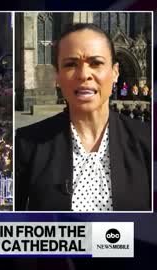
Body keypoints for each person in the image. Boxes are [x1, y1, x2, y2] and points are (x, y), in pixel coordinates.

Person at [15, 23, 150, 211]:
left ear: (115, 72)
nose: (84, 74)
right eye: (71, 64)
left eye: (96, 63)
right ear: (58, 76)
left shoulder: (147, 141)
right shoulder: (27, 144)